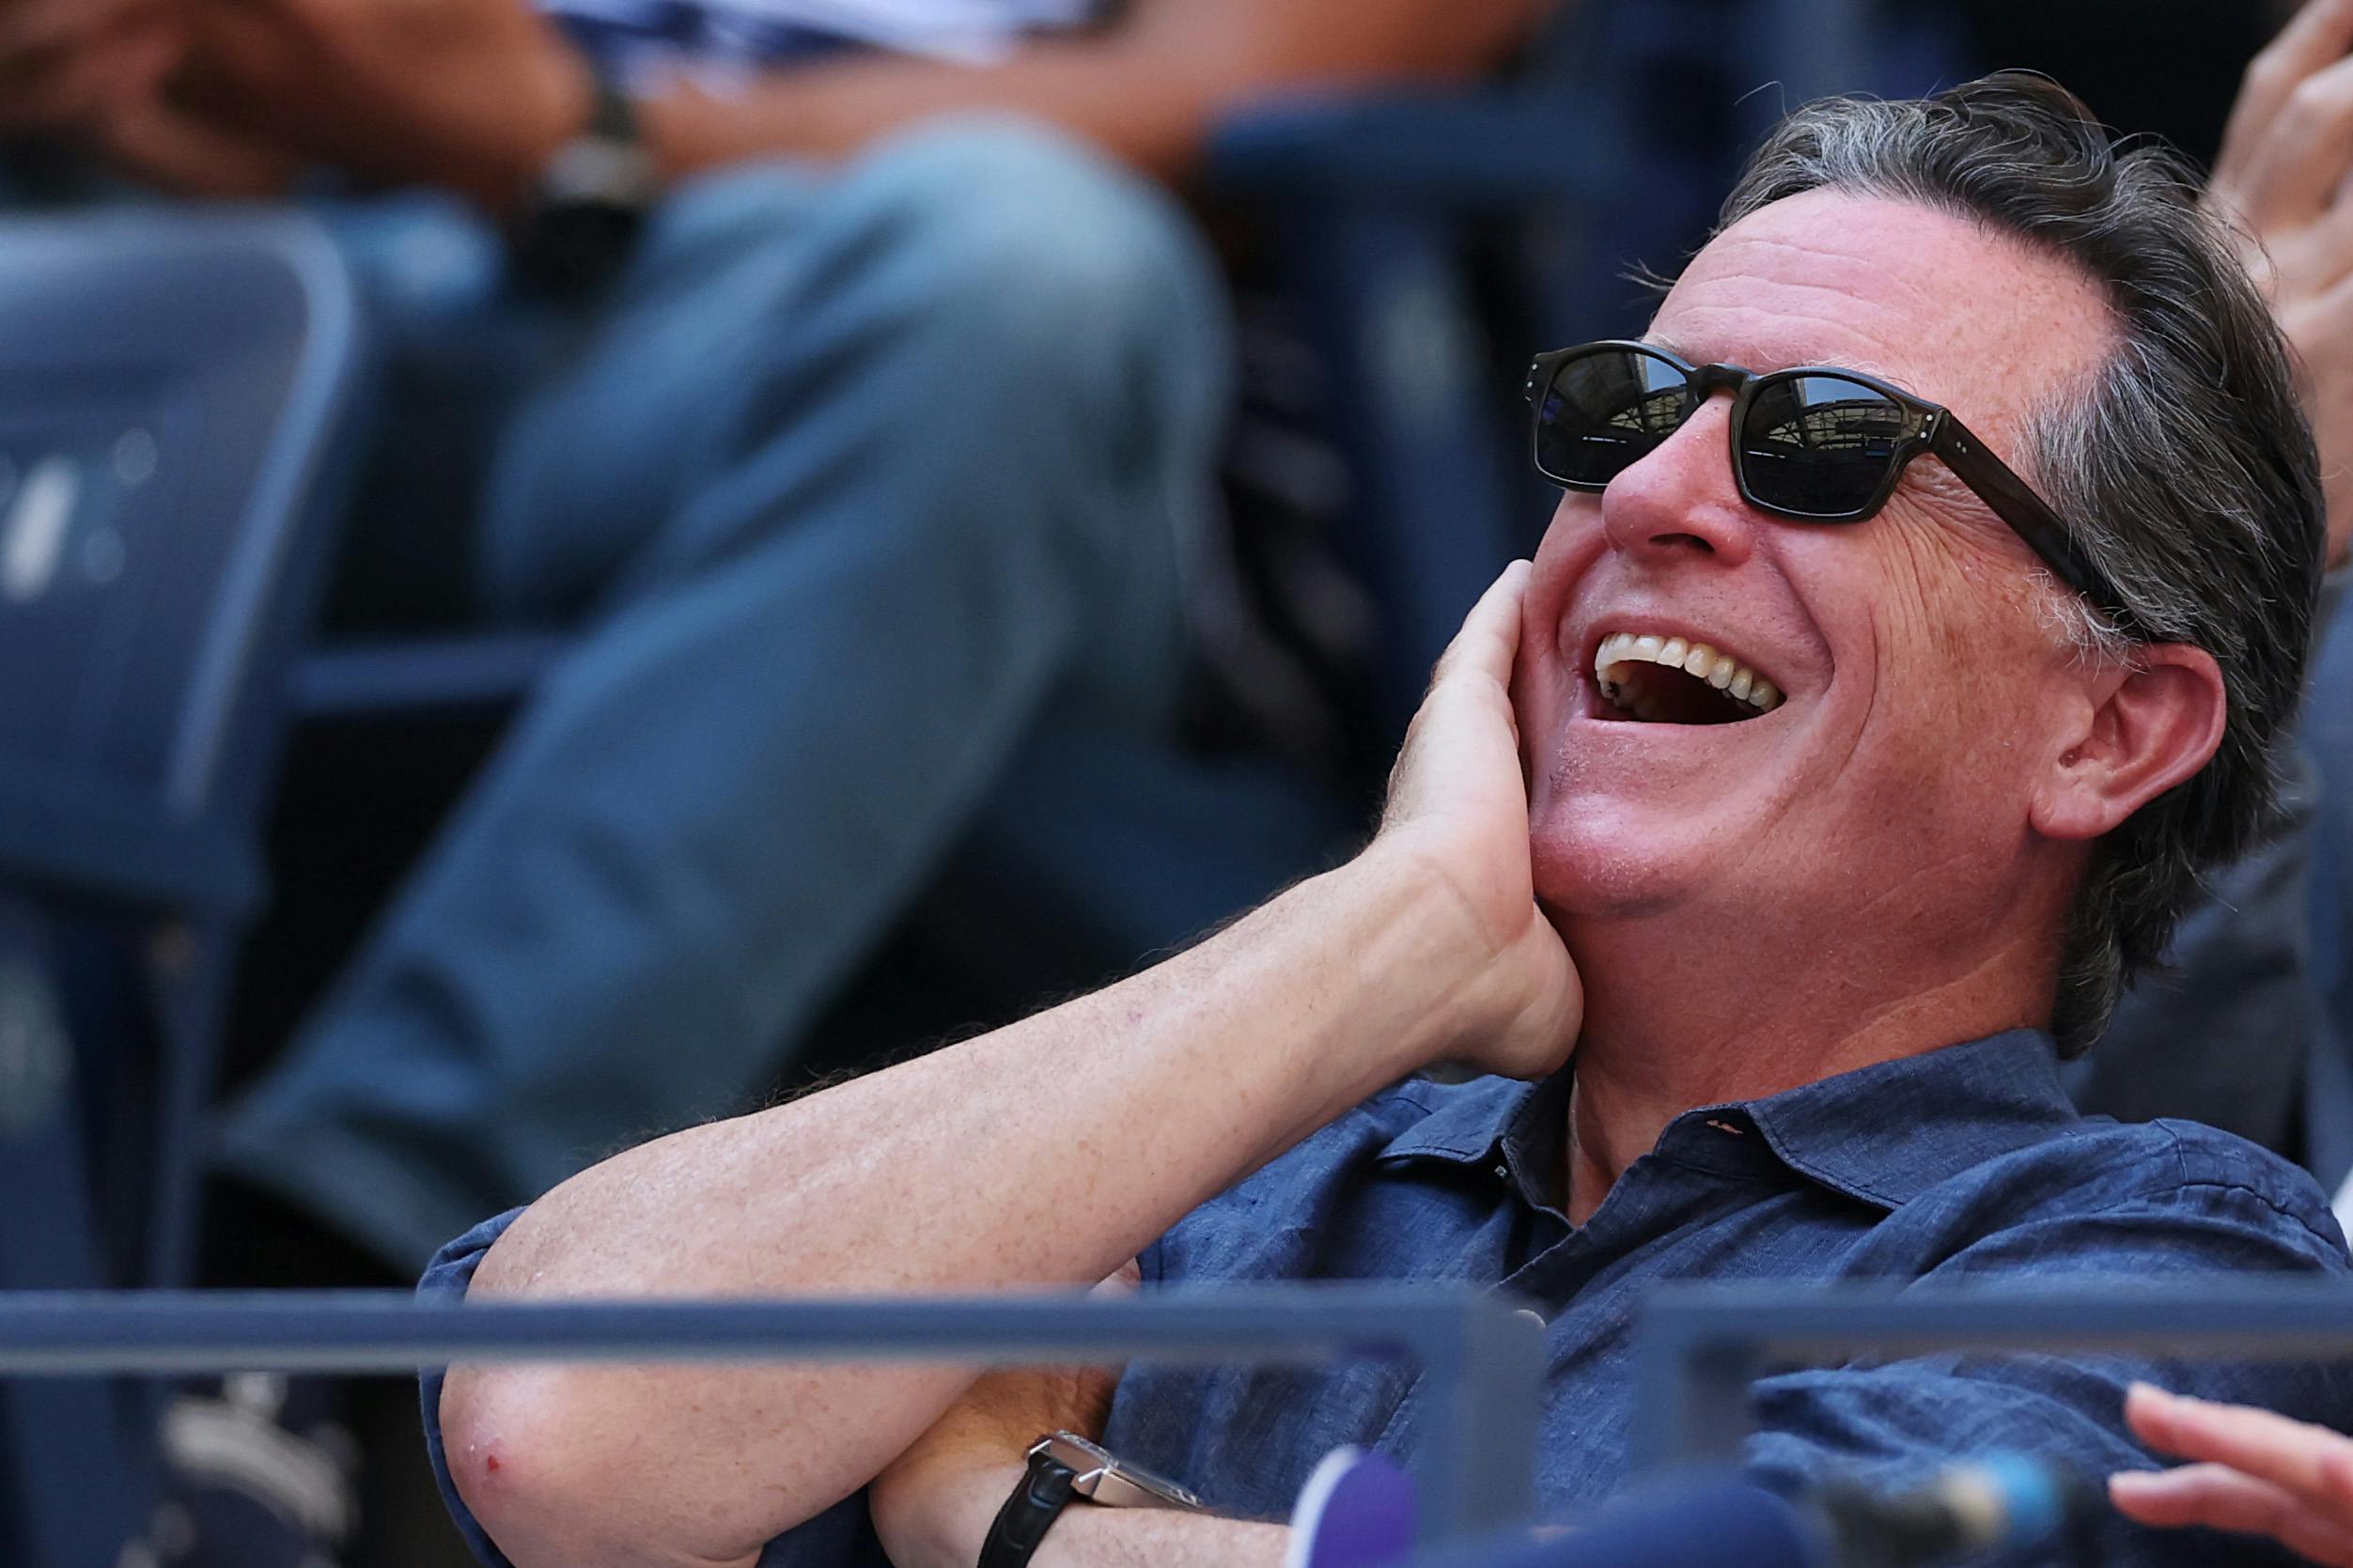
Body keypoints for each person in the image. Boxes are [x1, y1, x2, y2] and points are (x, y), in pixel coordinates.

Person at [425, 74, 2352, 1568]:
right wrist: (1390, 929)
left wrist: (1008, 1513)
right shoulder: (1230, 1159)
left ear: (2109, 731)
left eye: (1825, 440)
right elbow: (559, 1427)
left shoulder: (2157, 1264)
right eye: (1623, 412)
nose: (1658, 493)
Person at [0, 0, 1550, 1277]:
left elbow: (1259, 79)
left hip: (928, 368)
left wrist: (576, 138)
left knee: (1024, 265)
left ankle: (352, 1272)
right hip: (367, 281)